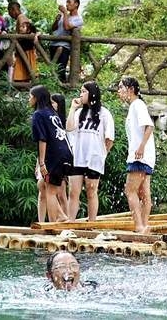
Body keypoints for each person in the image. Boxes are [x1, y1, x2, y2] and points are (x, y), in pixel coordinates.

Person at [66, 81, 115, 221]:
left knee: (91, 191)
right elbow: (69, 128)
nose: (80, 95)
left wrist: (102, 155)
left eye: (83, 92)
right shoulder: (79, 112)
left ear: (92, 93)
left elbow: (109, 138)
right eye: (80, 91)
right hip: (77, 156)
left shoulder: (104, 113)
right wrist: (72, 108)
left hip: (94, 158)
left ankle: (92, 223)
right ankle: (71, 222)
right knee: (73, 192)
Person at [117, 77, 155, 233]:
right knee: (144, 193)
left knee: (130, 190)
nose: (118, 91)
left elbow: (149, 126)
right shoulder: (137, 106)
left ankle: (139, 226)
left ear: (130, 89)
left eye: (121, 88)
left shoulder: (137, 105)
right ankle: (144, 226)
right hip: (146, 155)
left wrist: (140, 147)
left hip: (140, 155)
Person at [30, 85, 72, 223]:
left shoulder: (38, 114)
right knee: (43, 185)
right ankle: (61, 216)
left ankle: (54, 223)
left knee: (51, 191)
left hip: (54, 156)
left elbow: (42, 139)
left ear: (36, 98)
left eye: (31, 96)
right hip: (66, 154)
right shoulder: (53, 113)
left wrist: (42, 163)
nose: (29, 99)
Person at [50, 0, 83, 82]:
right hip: (53, 44)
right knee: (52, 69)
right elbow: (53, 28)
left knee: (61, 70)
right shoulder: (63, 16)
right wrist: (57, 20)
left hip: (63, 47)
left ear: (76, 4)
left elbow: (66, 27)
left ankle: (61, 88)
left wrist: (64, 12)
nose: (67, 4)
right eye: (66, 2)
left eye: (69, 2)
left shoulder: (78, 19)